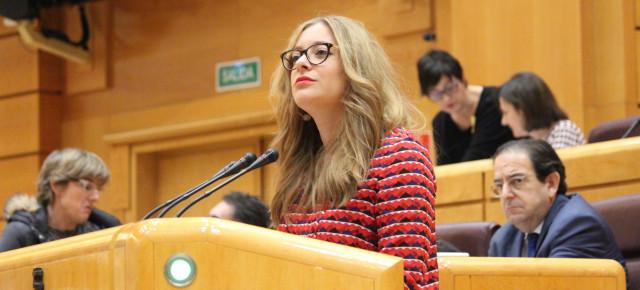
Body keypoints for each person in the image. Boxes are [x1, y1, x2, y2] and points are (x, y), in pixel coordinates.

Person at [270, 15, 438, 290]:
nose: (300, 63)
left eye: (320, 52)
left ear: (356, 66)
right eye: (296, 56)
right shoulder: (301, 172)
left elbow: (403, 282)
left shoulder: (399, 156)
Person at [488, 139, 628, 287]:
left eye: (517, 181)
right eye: (499, 185)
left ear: (551, 183)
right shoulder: (503, 239)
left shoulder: (578, 226)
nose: (505, 194)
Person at [0, 148, 120, 252]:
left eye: (98, 189)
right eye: (87, 186)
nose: (96, 197)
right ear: (57, 185)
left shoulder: (103, 230)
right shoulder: (22, 232)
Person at [417, 49, 513, 165]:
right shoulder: (440, 122)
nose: (446, 98)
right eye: (437, 94)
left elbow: (476, 161)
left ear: (462, 79)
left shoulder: (495, 103)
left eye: (450, 88)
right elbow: (446, 168)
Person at [499, 72, 585, 149]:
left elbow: (554, 166)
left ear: (524, 110)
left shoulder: (564, 131)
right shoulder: (536, 142)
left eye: (505, 113)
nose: (503, 122)